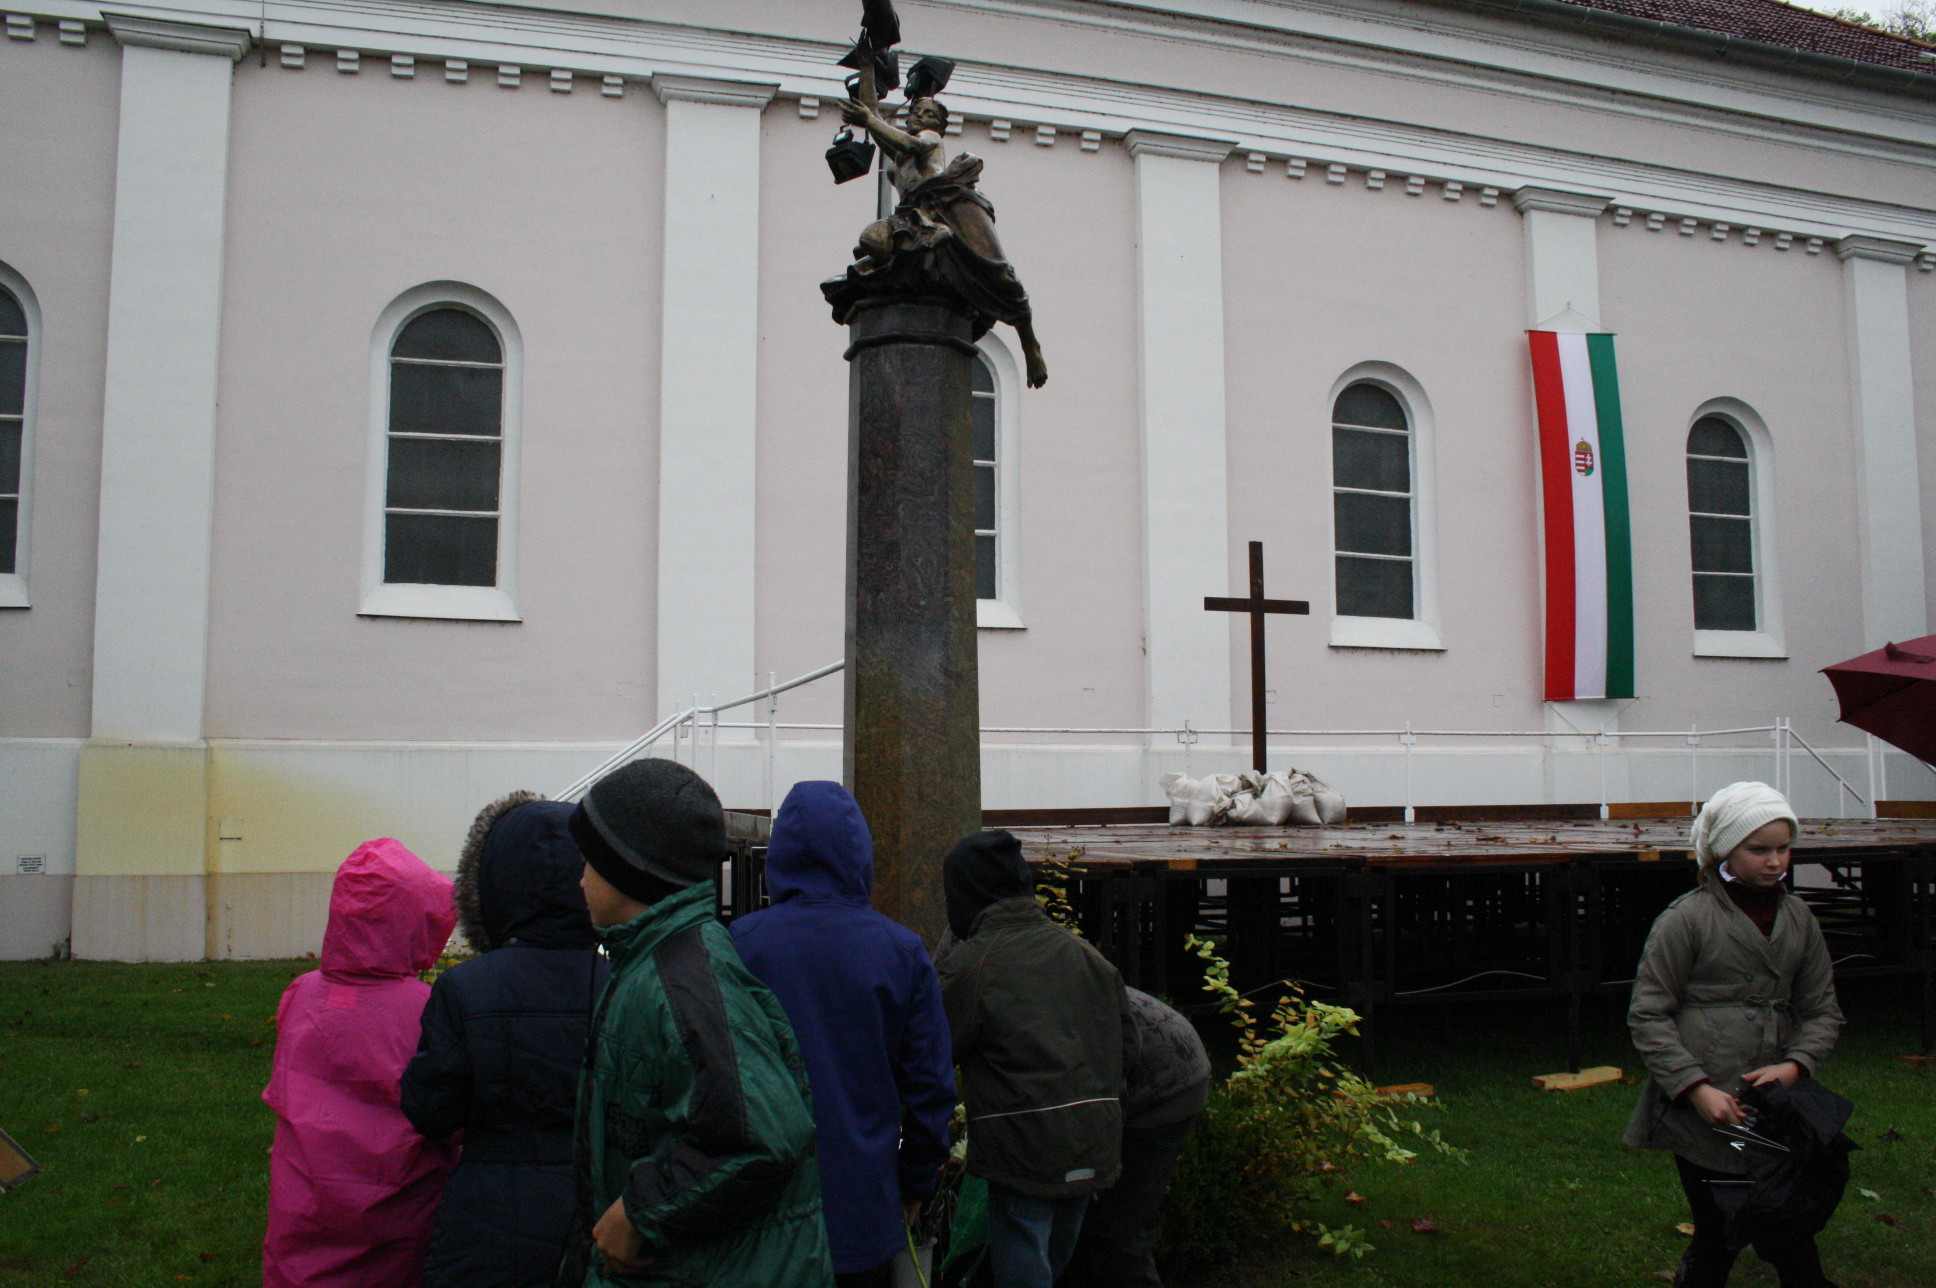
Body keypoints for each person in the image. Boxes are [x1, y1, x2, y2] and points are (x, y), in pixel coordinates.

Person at [559, 758, 833, 1288]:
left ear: (629, 869)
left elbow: (764, 1136)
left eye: (589, 861)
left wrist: (639, 1212)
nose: (580, 877)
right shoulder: (654, 960)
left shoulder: (682, 979)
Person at [729, 781, 956, 1288]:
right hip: (863, 1208)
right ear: (861, 857)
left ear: (779, 855)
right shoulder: (901, 951)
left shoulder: (741, 945)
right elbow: (931, 1088)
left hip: (759, 1212)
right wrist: (916, 1181)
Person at [1625, 781, 1846, 1288]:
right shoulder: (1686, 919)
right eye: (1758, 849)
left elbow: (1823, 1010)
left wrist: (1795, 1066)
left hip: (1776, 1106)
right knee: (1719, 1229)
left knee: (1790, 1225)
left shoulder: (1798, 919)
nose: (1775, 861)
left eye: (1784, 848)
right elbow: (1648, 1014)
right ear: (1726, 849)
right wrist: (1695, 1088)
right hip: (1705, 1106)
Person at [401, 793, 610, 1288]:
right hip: (602, 1205)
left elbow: (432, 1110)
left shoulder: (466, 987)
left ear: (492, 883)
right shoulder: (623, 981)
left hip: (489, 1216)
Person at [938, 829, 1136, 1288]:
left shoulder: (973, 965)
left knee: (1025, 1272)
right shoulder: (1087, 956)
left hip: (1023, 1155)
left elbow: (932, 1054)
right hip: (1092, 1144)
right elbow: (1128, 1048)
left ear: (964, 895)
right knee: (1052, 1264)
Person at [262, 838, 459, 1288]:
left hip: (305, 1196)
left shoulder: (303, 993)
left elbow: (287, 1083)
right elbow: (446, 1109)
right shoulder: (427, 1008)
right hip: (397, 1206)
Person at [1060, 988, 1211, 1288]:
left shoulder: (1058, 1009)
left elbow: (1101, 1088)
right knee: (1096, 1220)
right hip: (1155, 1064)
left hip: (1166, 1084)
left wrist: (1095, 1160)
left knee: (1118, 1228)